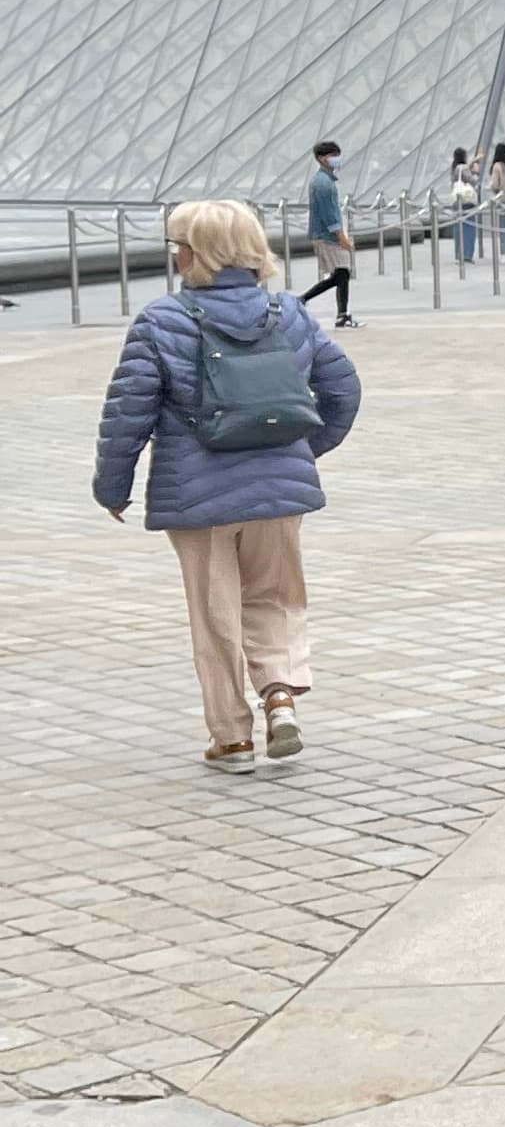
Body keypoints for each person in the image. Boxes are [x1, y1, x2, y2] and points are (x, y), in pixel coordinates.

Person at [91, 199, 361, 770]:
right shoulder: (288, 313)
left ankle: (232, 736)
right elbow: (343, 390)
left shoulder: (162, 321)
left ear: (199, 253)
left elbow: (128, 414)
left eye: (178, 244)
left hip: (199, 496)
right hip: (278, 493)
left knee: (215, 615)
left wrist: (112, 487)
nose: (175, 254)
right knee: (276, 594)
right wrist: (301, 451)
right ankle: (281, 694)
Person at [299, 140, 353, 322]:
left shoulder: (324, 180)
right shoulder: (323, 184)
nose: (337, 159)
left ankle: (342, 314)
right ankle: (303, 299)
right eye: (333, 155)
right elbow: (328, 213)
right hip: (327, 236)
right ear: (321, 159)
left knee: (341, 274)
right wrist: (341, 236)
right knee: (341, 274)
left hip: (326, 234)